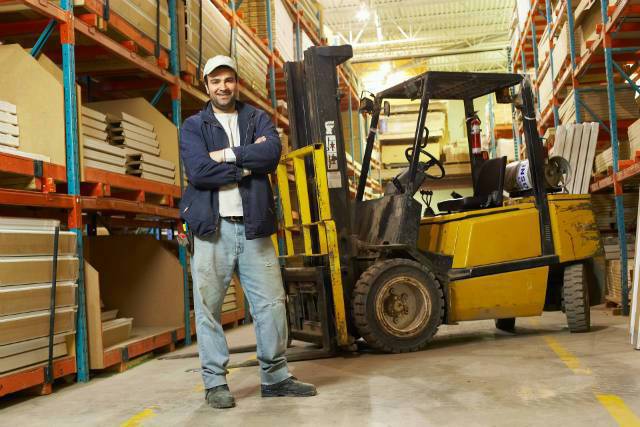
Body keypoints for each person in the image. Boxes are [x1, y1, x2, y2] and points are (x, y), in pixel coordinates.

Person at [179, 55, 317, 409]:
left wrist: (225, 155)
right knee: (208, 308)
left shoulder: (256, 118)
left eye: (228, 80)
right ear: (206, 85)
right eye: (215, 81)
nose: (222, 87)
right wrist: (243, 167)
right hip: (212, 230)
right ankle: (215, 383)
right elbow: (198, 172)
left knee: (271, 304)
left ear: (236, 82)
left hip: (254, 227)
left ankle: (275, 376)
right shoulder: (193, 126)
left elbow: (269, 155)